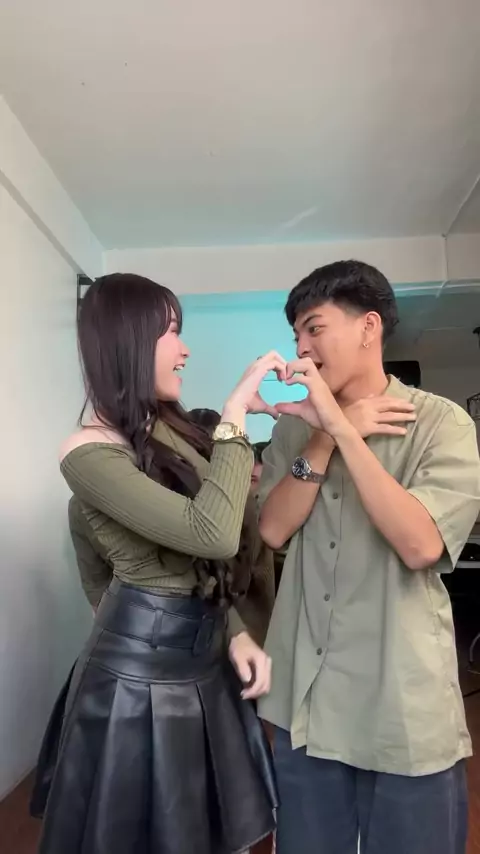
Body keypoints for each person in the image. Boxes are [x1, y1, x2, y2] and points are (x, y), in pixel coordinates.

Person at [33, 273, 280, 854]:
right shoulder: (86, 452)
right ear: (128, 340)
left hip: (203, 662)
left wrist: (234, 632)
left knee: (209, 832)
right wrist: (234, 417)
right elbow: (211, 534)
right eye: (171, 332)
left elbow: (199, 557)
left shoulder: (166, 433)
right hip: (134, 683)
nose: (184, 349)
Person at [257, 260, 480, 854]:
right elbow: (273, 530)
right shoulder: (292, 432)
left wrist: (346, 433)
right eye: (295, 335)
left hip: (400, 699)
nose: (301, 349)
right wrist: (323, 436)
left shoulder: (441, 423)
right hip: (307, 696)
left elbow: (421, 544)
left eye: (314, 328)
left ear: (368, 327)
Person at [187, 411, 275, 646]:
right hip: (240, 632)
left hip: (197, 632)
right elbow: (261, 580)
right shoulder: (242, 502)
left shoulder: (171, 495)